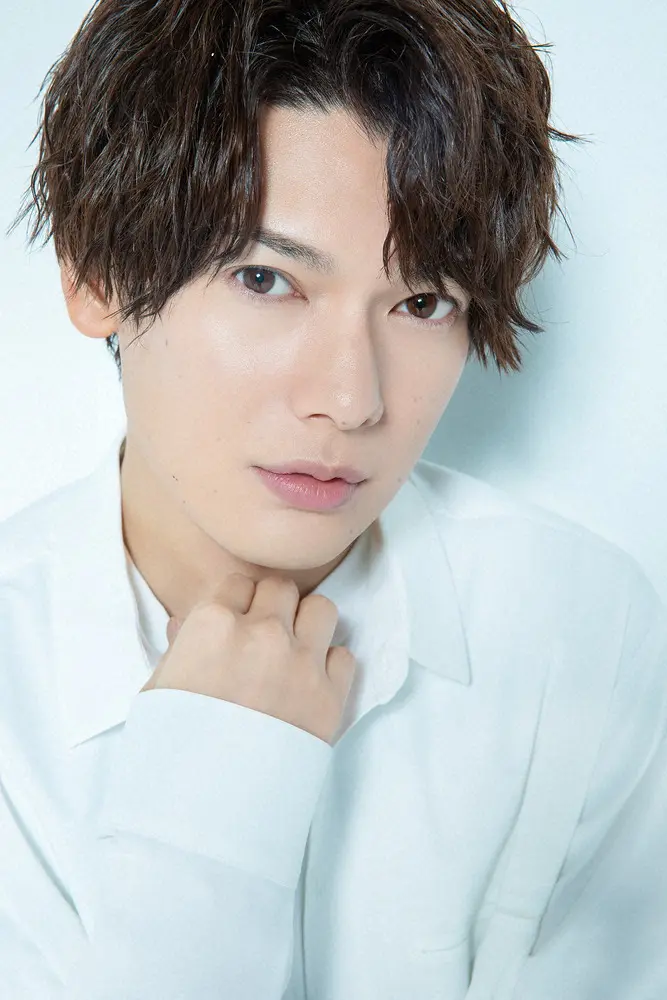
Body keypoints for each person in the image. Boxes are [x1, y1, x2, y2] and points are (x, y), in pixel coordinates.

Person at [3, 0, 667, 997]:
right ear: (95, 272)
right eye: (265, 280)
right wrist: (209, 818)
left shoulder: (580, 628)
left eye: (421, 302)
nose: (352, 399)